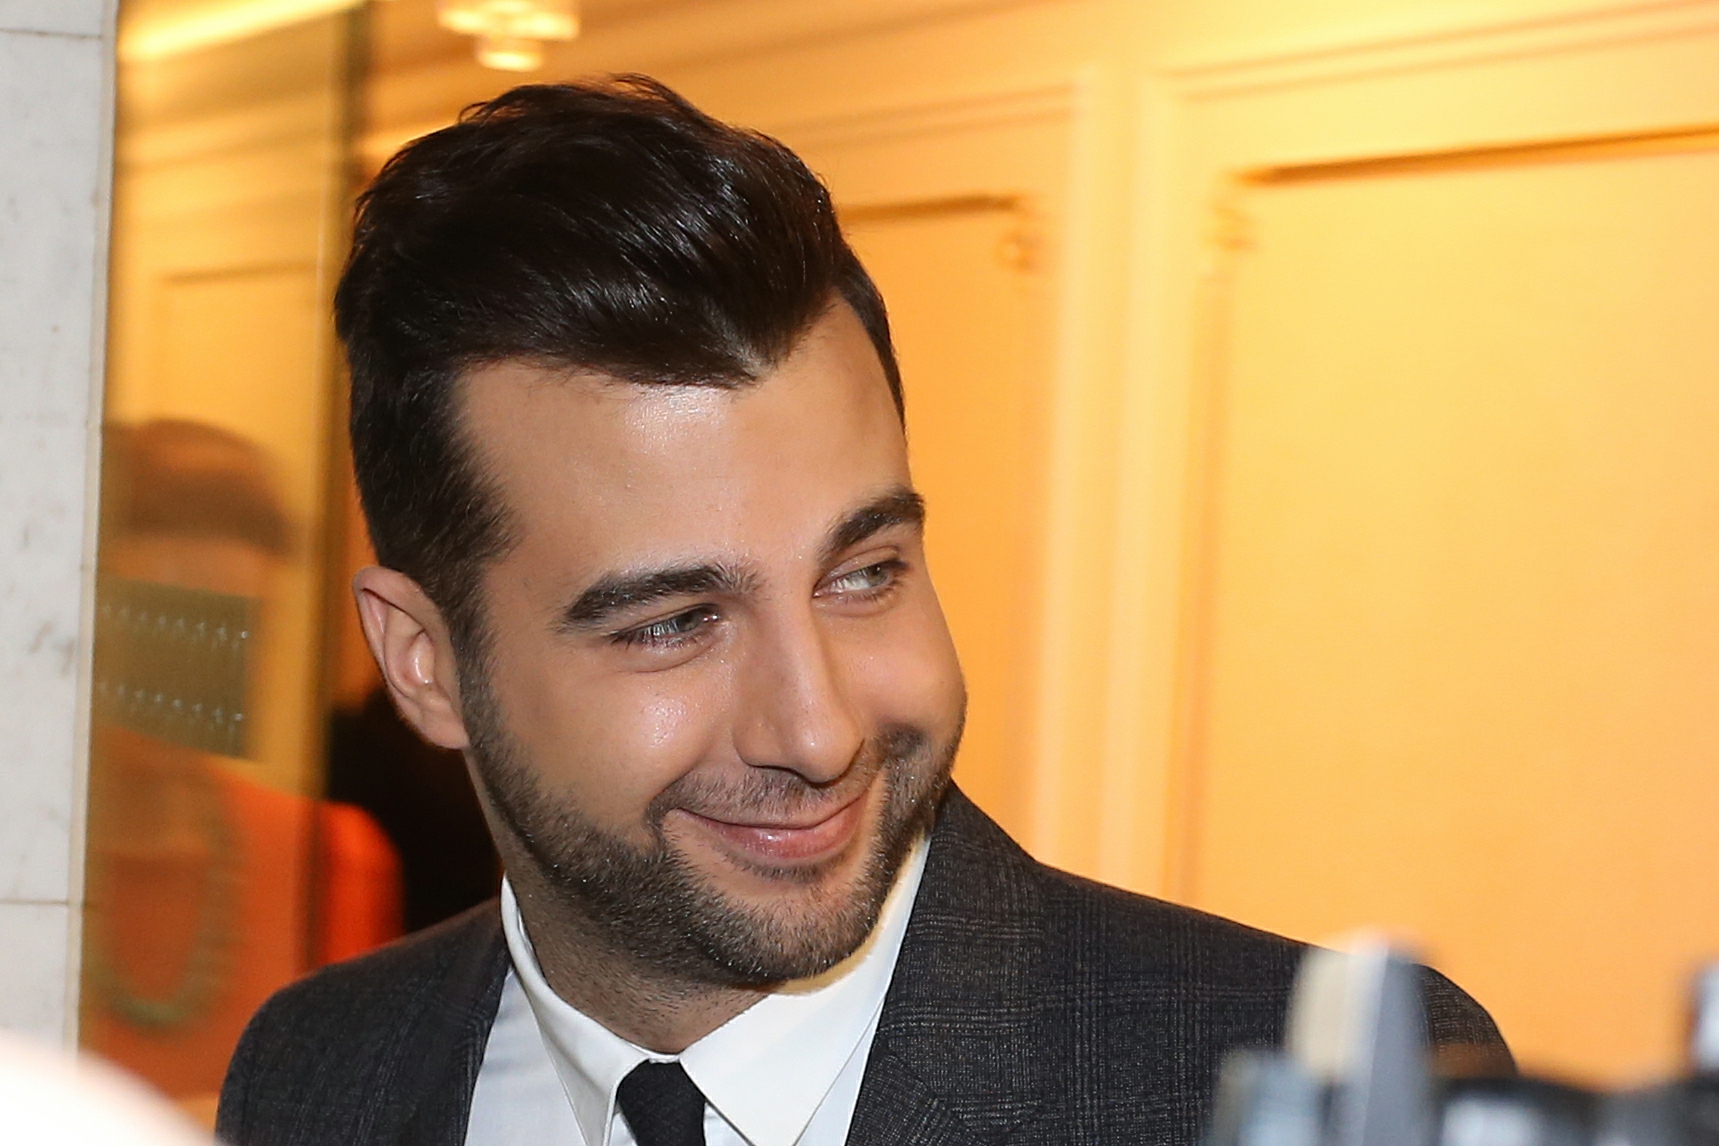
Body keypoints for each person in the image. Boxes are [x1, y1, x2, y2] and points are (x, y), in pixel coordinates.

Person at [215, 77, 1509, 1146]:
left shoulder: (1316, 1095)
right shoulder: (317, 1073)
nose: (820, 729)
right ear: (425, 661)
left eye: (864, 572)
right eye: (672, 622)